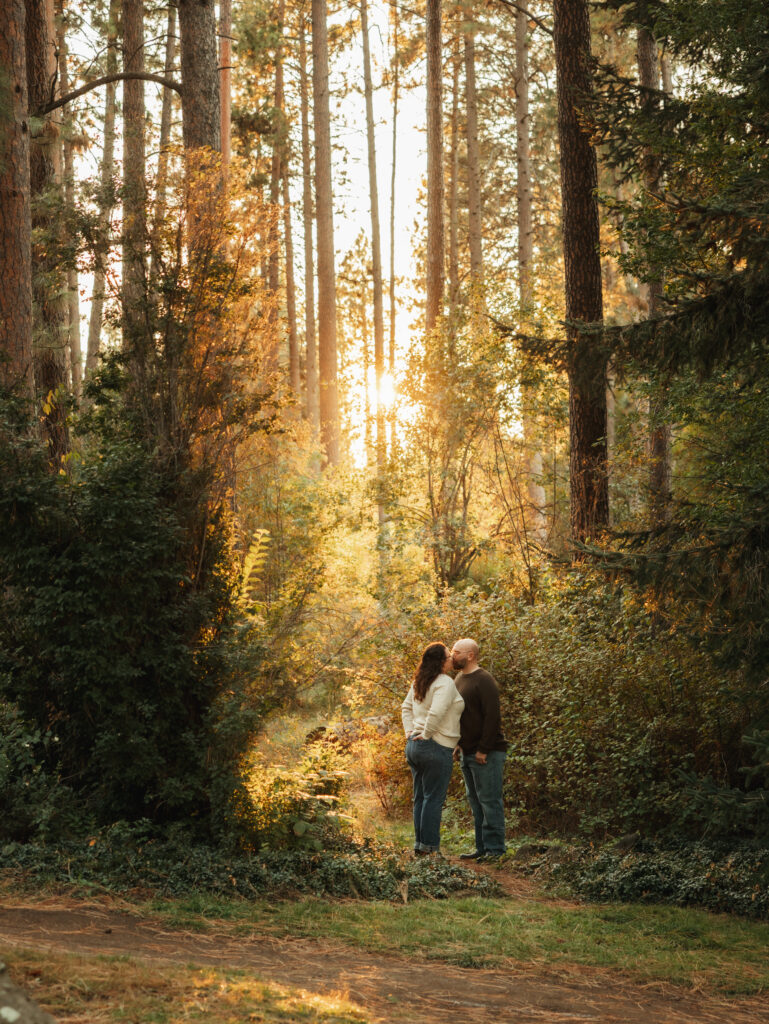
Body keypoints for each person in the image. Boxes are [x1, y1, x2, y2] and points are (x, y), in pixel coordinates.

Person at [401, 642, 465, 856]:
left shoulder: (420, 681)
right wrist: (426, 734)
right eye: (448, 656)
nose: (451, 659)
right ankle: (429, 849)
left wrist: (410, 732)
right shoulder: (444, 683)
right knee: (433, 799)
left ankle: (421, 846)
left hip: (414, 746)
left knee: (421, 797)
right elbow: (436, 713)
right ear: (440, 661)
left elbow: (406, 708)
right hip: (435, 747)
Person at [451, 637, 508, 861]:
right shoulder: (458, 679)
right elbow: (461, 716)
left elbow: (492, 717)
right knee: (475, 801)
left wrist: (483, 749)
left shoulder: (484, 680)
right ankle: (482, 848)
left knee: (489, 800)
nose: (452, 656)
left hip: (488, 752)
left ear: (470, 655)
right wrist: (458, 745)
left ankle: (496, 850)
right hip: (467, 751)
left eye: (456, 652)